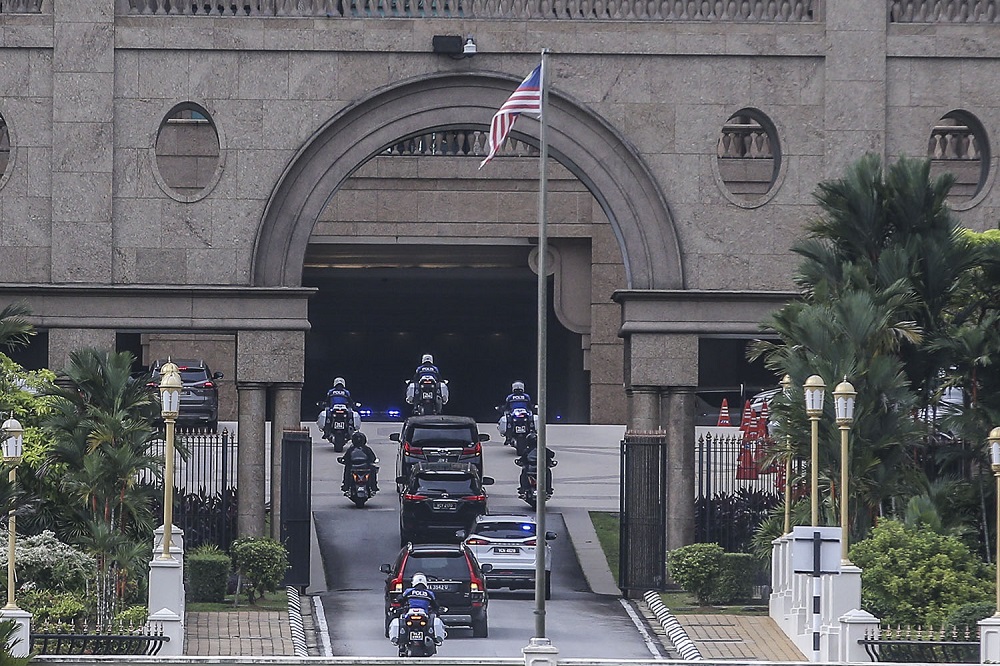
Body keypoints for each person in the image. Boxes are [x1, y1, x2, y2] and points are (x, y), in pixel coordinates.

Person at [389, 573, 446, 646]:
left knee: (402, 618)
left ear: (414, 582)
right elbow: (435, 605)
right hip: (423, 614)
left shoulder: (409, 591)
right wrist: (437, 610)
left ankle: (401, 642)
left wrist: (399, 604)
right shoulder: (429, 593)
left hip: (410, 613)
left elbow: (400, 600)